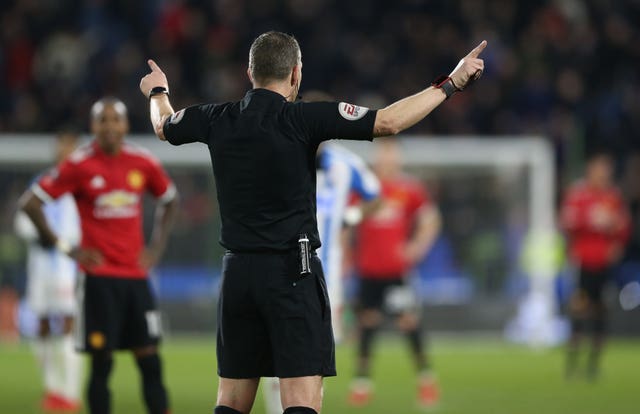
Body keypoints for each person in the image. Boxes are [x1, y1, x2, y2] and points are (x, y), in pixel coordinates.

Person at [139, 30, 486, 414]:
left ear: (249, 72)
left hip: (237, 275)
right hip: (292, 272)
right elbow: (389, 122)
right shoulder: (304, 118)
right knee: (302, 400)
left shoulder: (216, 118)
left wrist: (158, 91)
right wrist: (451, 83)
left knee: (232, 401)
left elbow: (163, 125)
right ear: (296, 75)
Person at [19, 97, 179, 414]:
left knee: (150, 363)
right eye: (101, 120)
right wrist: (69, 248)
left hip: (136, 279)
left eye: (114, 119)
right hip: (98, 282)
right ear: (92, 126)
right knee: (101, 367)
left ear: (125, 125)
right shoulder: (79, 165)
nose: (108, 126)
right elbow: (31, 204)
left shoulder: (142, 162)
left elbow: (170, 200)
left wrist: (156, 248)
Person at [263, 142, 381, 414]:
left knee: (314, 352)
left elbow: (375, 196)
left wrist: (351, 215)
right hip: (281, 266)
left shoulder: (344, 163)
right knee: (278, 344)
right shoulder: (280, 156)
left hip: (326, 274)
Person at [348, 138, 441, 408]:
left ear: (398, 158)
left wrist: (417, 246)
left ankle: (426, 380)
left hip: (396, 271)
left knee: (408, 322)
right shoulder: (365, 188)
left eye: (391, 154)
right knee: (367, 323)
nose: (387, 159)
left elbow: (431, 219)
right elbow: (349, 222)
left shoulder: (408, 189)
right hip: (368, 270)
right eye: (383, 154)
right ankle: (362, 384)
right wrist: (345, 254)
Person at [14, 131, 83, 412]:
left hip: (66, 266)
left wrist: (61, 240)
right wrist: (37, 234)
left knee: (67, 324)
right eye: (62, 148)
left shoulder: (81, 184)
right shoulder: (40, 182)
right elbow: (22, 219)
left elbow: (82, 226)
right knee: (41, 325)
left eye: (70, 148)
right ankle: (52, 388)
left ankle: (72, 393)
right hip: (40, 265)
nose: (65, 153)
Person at [560, 151, 630, 380]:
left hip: (603, 263)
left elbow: (623, 227)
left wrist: (616, 239)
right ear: (590, 170)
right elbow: (568, 221)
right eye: (600, 168)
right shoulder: (579, 195)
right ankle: (572, 363)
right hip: (583, 260)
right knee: (579, 308)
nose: (603, 173)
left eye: (606, 169)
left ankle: (593, 365)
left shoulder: (612, 197)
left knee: (600, 311)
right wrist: (590, 220)